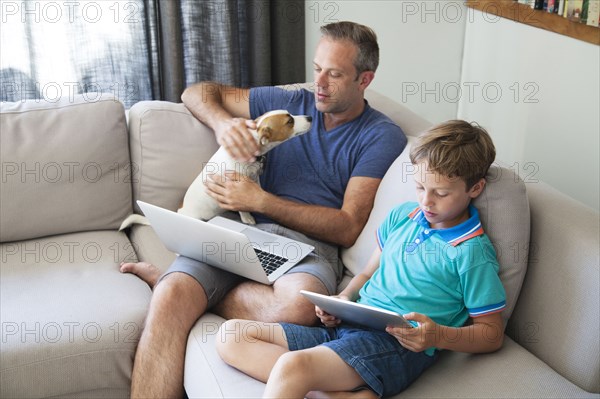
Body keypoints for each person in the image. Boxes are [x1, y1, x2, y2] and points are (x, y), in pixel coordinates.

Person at [120, 21, 407, 398]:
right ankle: (178, 289)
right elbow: (197, 92)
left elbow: (348, 226)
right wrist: (225, 125)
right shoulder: (289, 102)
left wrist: (261, 201)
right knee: (170, 300)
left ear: (364, 79)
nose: (319, 83)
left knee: (299, 308)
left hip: (305, 248)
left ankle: (179, 284)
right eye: (317, 68)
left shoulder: (380, 136)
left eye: (334, 74)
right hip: (236, 231)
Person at [215, 120, 507, 399]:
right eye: (420, 187)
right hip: (348, 328)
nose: (426, 202)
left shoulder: (471, 252)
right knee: (232, 335)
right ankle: (330, 394)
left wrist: (438, 337)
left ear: (475, 189)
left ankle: (310, 381)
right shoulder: (402, 216)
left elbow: (491, 334)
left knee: (292, 367)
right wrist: (342, 300)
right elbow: (367, 274)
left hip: (394, 345)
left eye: (441, 193)